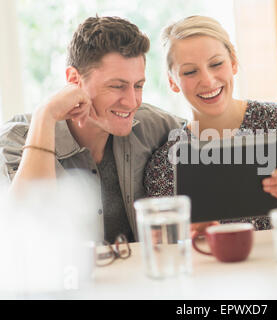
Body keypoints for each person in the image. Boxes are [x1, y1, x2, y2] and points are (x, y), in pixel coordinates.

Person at [144, 15, 277, 231]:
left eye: (216, 63)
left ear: (233, 62)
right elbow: (168, 248)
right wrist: (194, 235)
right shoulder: (166, 165)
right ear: (173, 81)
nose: (208, 80)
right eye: (190, 71)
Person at [0, 16, 184, 243]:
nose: (131, 101)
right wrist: (45, 115)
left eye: (138, 86)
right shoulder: (16, 139)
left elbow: (215, 144)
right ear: (74, 79)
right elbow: (25, 225)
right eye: (117, 86)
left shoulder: (154, 126)